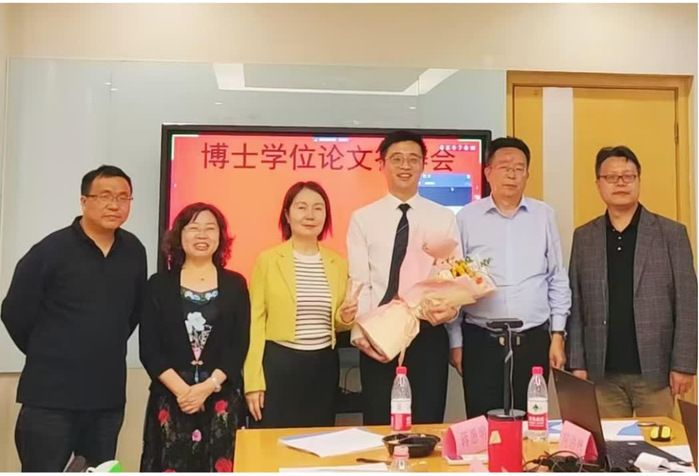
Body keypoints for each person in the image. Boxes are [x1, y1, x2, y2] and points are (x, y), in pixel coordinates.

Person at [1, 165, 147, 472]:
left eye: (123, 197)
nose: (114, 205)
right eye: (105, 196)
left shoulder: (134, 251)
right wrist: (49, 351)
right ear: (84, 201)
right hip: (50, 399)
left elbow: (132, 313)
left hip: (106, 399)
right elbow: (14, 312)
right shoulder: (50, 250)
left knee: (100, 470)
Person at [566, 146, 697, 418]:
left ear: (639, 180)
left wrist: (684, 365)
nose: (621, 183)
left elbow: (688, 302)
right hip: (602, 374)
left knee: (660, 443)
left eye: (628, 176)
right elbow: (576, 305)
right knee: (608, 444)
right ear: (599, 184)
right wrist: (577, 363)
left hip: (655, 373)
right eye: (612, 177)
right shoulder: (585, 237)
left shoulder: (671, 234)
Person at [348, 130, 461, 425]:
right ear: (382, 164)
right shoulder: (363, 218)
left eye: (413, 159)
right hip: (378, 333)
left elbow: (454, 275)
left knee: (427, 422)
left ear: (423, 165)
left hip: (427, 331)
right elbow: (359, 280)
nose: (405, 166)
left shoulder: (443, 217)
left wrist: (450, 309)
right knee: (379, 421)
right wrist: (361, 333)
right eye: (397, 159)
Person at [452, 137, 571, 418]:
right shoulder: (466, 218)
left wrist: (557, 335)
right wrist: (455, 341)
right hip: (481, 341)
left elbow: (557, 277)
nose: (512, 174)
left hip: (532, 340)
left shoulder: (544, 215)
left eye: (519, 168)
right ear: (488, 172)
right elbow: (454, 283)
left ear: (527, 174)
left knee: (532, 424)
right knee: (482, 425)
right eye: (504, 167)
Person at [139, 203, 249, 472]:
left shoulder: (235, 284)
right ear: (179, 235)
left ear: (221, 237)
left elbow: (238, 345)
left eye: (210, 228)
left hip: (221, 400)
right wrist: (185, 392)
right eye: (193, 228)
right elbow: (150, 349)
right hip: (172, 399)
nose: (202, 235)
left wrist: (206, 387)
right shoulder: (158, 285)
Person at [243, 181, 358, 428]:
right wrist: (253, 382)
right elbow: (255, 323)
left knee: (318, 442)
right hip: (279, 365)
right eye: (302, 207)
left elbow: (337, 323)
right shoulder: (268, 260)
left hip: (323, 366)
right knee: (273, 441)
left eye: (318, 208)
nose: (310, 215)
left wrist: (345, 318)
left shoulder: (338, 263)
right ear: (287, 214)